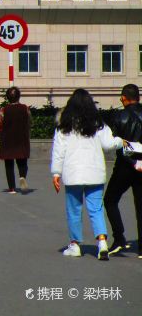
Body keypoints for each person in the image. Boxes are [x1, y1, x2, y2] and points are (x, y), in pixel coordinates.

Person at [51, 88, 126, 260]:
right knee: (96, 209)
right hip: (95, 173)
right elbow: (108, 144)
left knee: (74, 210)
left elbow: (58, 151)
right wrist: (121, 142)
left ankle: (75, 245)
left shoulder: (65, 125)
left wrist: (56, 173)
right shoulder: (98, 123)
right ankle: (102, 243)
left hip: (73, 174)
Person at [104, 83, 142, 257]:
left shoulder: (119, 116)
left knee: (110, 199)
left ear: (123, 98)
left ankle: (119, 238)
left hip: (125, 166)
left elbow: (115, 140)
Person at [0, 86, 31, 194]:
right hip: (21, 138)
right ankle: (22, 176)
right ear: (19, 97)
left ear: (7, 97)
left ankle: (12, 188)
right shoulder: (25, 108)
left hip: (7, 139)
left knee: (9, 164)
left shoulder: (3, 110)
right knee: (22, 161)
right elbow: (30, 122)